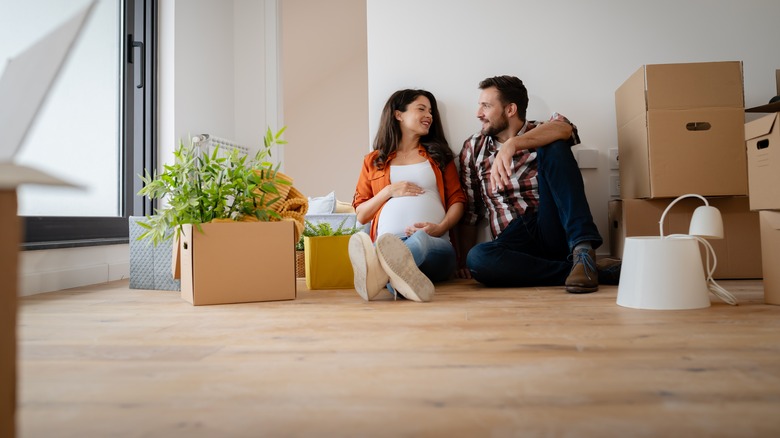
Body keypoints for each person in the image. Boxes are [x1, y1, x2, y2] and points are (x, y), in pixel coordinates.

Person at [457, 75, 620, 293]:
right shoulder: (474, 147)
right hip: (512, 241)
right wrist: (463, 263)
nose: (478, 114)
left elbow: (565, 129)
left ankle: (582, 249)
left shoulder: (544, 129)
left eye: (486, 106)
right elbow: (471, 212)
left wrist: (512, 145)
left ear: (510, 109)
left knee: (554, 146)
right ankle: (585, 269)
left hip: (548, 223)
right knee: (477, 259)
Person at [349, 89, 466, 302]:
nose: (429, 115)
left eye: (430, 111)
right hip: (387, 241)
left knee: (420, 240)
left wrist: (440, 228)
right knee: (396, 267)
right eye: (421, 109)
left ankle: (379, 271)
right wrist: (388, 191)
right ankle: (397, 281)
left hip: (435, 244)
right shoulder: (373, 160)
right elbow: (361, 215)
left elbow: (457, 201)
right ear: (398, 115)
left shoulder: (439, 155)